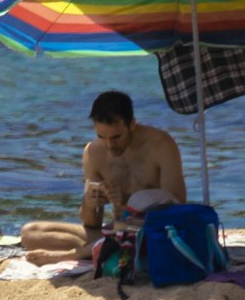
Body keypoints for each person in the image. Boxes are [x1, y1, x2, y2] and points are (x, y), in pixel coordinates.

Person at [20, 91, 186, 264]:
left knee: (128, 231)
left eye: (116, 137)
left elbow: (178, 207)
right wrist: (90, 203)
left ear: (132, 124)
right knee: (31, 233)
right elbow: (92, 223)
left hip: (151, 231)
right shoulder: (93, 152)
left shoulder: (161, 145)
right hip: (115, 230)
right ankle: (101, 248)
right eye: (101, 137)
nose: (109, 145)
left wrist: (128, 203)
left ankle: (81, 252)